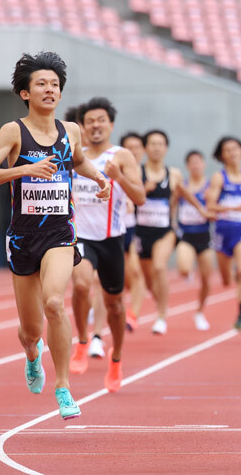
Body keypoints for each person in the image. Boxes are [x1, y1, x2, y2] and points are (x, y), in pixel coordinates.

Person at [0, 52, 110, 419]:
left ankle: (63, 386)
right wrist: (26, 170)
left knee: (55, 303)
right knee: (30, 330)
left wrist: (98, 178)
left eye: (54, 84)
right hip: (22, 237)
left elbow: (78, 160)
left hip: (60, 232)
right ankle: (33, 355)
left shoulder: (71, 130)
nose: (49, 90)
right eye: (41, 84)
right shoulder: (12, 131)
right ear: (25, 93)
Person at [67, 97, 145, 392]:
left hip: (112, 238)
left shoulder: (122, 156)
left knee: (114, 304)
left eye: (101, 120)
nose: (96, 125)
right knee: (82, 284)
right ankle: (83, 341)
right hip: (81, 236)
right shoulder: (74, 155)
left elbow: (139, 198)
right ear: (83, 126)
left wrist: (118, 177)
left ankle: (117, 358)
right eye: (90, 121)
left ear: (111, 125)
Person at [134, 129, 207, 335]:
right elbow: (128, 196)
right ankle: (161, 305)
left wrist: (201, 209)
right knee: (148, 279)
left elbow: (185, 193)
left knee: (159, 267)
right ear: (145, 148)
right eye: (152, 144)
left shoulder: (173, 174)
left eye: (160, 144)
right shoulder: (137, 172)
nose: (156, 148)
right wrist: (142, 189)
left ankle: (161, 316)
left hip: (165, 231)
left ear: (166, 148)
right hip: (141, 233)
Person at [67, 105, 107, 359]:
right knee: (82, 285)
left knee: (101, 285)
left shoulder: (109, 157)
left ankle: (98, 337)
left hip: (107, 233)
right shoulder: (62, 157)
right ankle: (82, 335)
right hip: (76, 232)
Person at [205, 137, 241, 332]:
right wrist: (233, 207)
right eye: (228, 150)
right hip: (222, 233)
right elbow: (210, 205)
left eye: (236, 148)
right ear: (222, 155)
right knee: (227, 279)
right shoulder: (219, 177)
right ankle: (230, 279)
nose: (233, 152)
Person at [175, 150, 215, 331]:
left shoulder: (210, 187)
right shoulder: (182, 186)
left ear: (204, 164)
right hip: (186, 235)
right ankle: (188, 271)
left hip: (204, 237)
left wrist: (210, 205)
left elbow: (215, 212)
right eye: (192, 162)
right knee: (183, 267)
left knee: (207, 279)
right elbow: (172, 204)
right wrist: (172, 225)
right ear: (188, 166)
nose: (196, 165)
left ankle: (200, 311)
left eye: (199, 162)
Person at [119, 132, 146, 332]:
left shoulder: (146, 172)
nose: (134, 151)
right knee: (118, 278)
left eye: (137, 147)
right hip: (113, 228)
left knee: (135, 273)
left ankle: (132, 315)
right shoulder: (116, 167)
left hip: (133, 228)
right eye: (129, 147)